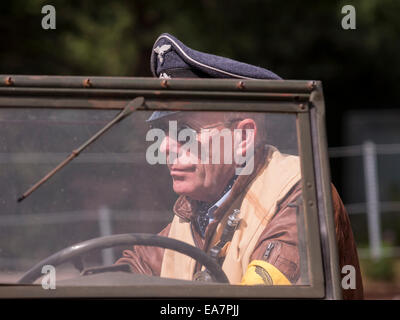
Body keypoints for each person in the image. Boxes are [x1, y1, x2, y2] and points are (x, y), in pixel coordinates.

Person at [116, 33, 364, 299]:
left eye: (184, 132)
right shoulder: (195, 211)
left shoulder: (299, 196)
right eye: (164, 130)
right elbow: (126, 273)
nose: (165, 146)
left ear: (243, 138)